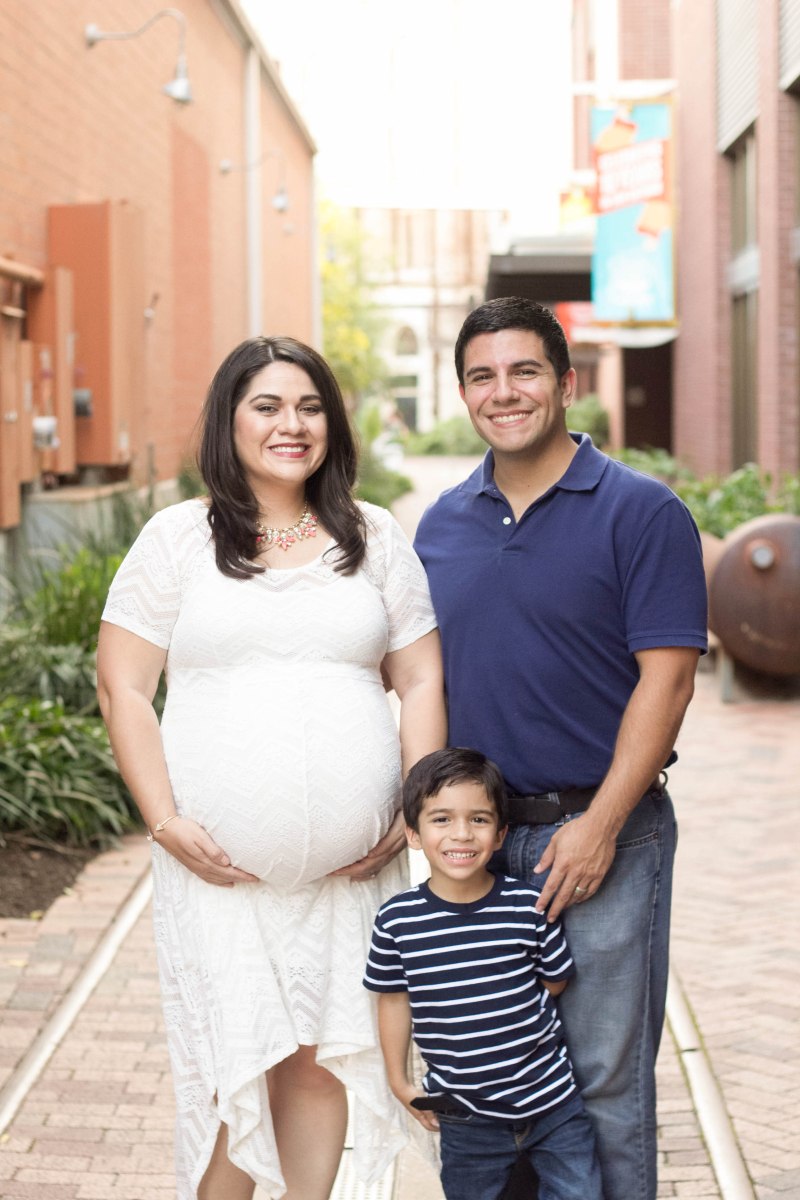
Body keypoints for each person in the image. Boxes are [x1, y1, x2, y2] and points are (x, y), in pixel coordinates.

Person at [96, 335, 446, 1200]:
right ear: (230, 420)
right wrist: (165, 819)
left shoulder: (375, 537)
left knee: (323, 1058)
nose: (292, 424)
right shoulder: (176, 540)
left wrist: (415, 804)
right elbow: (123, 685)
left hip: (350, 876)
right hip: (216, 876)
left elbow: (423, 673)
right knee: (231, 1073)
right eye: (268, 405)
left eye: (310, 406)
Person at [414, 297, 708, 1200]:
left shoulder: (643, 514)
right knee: (494, 1082)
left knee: (605, 1084)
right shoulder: (440, 526)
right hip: (483, 847)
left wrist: (603, 825)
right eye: (483, 376)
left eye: (525, 371)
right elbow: (424, 685)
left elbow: (669, 683)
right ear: (464, 393)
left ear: (567, 384)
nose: (505, 393)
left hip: (603, 837)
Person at [364, 747, 603, 1200]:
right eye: (441, 820)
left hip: (552, 1105)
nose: (462, 834)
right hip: (464, 1117)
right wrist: (398, 1080)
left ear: (500, 835)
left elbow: (554, 981)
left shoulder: (527, 907)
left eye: (478, 819)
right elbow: (393, 999)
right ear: (413, 834)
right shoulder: (397, 921)